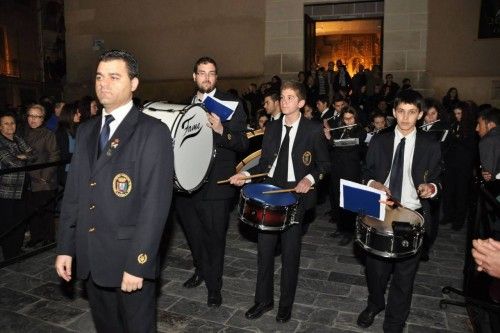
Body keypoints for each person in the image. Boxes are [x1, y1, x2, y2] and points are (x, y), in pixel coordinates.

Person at [55, 50, 174, 332]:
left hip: (127, 260)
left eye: (113, 77)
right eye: (99, 77)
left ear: (133, 84)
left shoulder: (152, 132)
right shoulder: (86, 131)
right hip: (92, 259)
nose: (103, 83)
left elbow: (155, 206)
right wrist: (66, 247)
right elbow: (74, 194)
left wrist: (138, 263)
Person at [229, 81, 330, 323]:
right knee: (264, 251)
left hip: (296, 196)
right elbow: (264, 165)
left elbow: (325, 165)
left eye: (290, 97)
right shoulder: (272, 129)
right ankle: (263, 300)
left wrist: (308, 179)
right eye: (283, 97)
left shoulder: (313, 130)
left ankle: (286, 305)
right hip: (271, 192)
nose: (285, 102)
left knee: (290, 254)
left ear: (301, 103)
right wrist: (245, 175)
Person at [357, 89, 441, 332]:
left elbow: (438, 178)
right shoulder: (380, 140)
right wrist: (374, 184)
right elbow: (366, 172)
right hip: (380, 210)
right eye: (401, 112)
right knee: (375, 270)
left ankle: (394, 323)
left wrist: (431, 187)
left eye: (412, 112)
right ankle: (375, 303)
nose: (405, 118)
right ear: (394, 112)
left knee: (404, 277)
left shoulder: (430, 145)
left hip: (412, 216)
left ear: (420, 114)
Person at [175, 56, 248, 307]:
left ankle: (214, 286)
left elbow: (242, 143)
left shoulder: (233, 104)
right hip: (185, 186)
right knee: (193, 235)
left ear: (217, 77)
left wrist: (221, 130)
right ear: (194, 76)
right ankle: (201, 270)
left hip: (217, 184)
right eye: (202, 73)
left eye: (211, 73)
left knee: (215, 238)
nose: (206, 77)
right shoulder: (185, 105)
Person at [324, 106, 367, 246]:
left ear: (355, 118)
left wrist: (330, 138)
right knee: (337, 199)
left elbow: (348, 144)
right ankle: (340, 228)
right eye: (345, 118)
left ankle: (349, 232)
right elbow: (332, 149)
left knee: (348, 202)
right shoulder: (339, 129)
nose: (348, 121)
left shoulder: (360, 131)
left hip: (351, 171)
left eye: (351, 118)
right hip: (337, 170)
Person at [24, 104, 60, 247]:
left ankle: (48, 238)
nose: (33, 119)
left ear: (42, 119)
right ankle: (36, 237)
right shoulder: (23, 133)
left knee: (46, 212)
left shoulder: (48, 134)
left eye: (37, 116)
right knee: (32, 212)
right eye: (30, 116)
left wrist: (45, 176)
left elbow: (54, 155)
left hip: (43, 180)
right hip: (29, 181)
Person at [0, 112, 34, 259]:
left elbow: (33, 154)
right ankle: (9, 254)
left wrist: (23, 156)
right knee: (8, 222)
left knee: (21, 220)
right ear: (0, 127)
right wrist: (22, 156)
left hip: (23, 188)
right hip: (7, 190)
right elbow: (11, 162)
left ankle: (17, 249)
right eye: (6, 123)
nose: (10, 126)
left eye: (12, 123)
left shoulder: (18, 139)